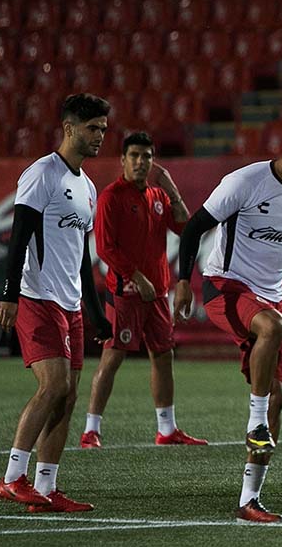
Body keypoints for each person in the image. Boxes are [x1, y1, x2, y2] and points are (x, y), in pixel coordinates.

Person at [174, 117, 282, 523]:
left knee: (278, 397)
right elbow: (194, 228)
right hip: (226, 288)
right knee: (272, 330)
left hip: (271, 299)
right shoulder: (244, 182)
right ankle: (256, 420)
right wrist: (182, 282)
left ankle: (250, 498)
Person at [0, 93, 113, 513]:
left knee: (68, 396)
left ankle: (45, 487)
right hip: (36, 296)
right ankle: (12, 478)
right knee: (54, 385)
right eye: (92, 128)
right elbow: (20, 232)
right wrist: (8, 294)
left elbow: (82, 254)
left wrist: (96, 312)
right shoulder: (42, 173)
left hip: (72, 304)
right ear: (68, 127)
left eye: (102, 129)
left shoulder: (87, 187)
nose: (99, 136)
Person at [79, 132, 207, 449]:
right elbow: (105, 248)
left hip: (158, 294)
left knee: (163, 356)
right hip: (125, 292)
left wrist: (171, 188)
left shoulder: (158, 197)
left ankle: (167, 429)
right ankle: (91, 429)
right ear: (123, 160)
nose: (140, 162)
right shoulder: (111, 197)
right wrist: (137, 276)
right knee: (113, 356)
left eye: (147, 156)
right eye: (134, 155)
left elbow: (185, 228)